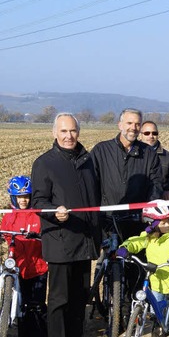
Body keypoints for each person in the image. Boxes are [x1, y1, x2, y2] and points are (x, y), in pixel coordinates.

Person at [31, 112, 102, 337]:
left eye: (72, 131)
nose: (68, 136)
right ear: (54, 133)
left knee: (79, 299)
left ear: (78, 132)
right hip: (61, 242)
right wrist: (54, 213)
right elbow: (38, 201)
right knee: (59, 300)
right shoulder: (44, 163)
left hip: (85, 241)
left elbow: (96, 198)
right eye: (63, 131)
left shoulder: (88, 161)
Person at [116, 202, 169, 337]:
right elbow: (136, 241)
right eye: (163, 223)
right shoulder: (148, 236)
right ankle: (158, 330)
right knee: (155, 307)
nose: (168, 225)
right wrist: (125, 247)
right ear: (152, 224)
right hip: (156, 278)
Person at [90, 108, 164, 240]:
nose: (133, 128)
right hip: (108, 222)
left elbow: (156, 183)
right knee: (110, 258)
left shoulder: (149, 154)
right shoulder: (101, 151)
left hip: (137, 223)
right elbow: (91, 183)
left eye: (137, 124)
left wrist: (148, 210)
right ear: (120, 125)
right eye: (129, 123)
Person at [1, 175, 48, 336]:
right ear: (13, 197)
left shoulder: (37, 215)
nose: (23, 201)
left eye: (26, 196)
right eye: (19, 197)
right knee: (21, 306)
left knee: (36, 305)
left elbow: (45, 235)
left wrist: (37, 235)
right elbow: (5, 234)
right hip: (18, 268)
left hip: (38, 267)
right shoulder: (8, 216)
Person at [139, 120, 169, 199]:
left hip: (159, 202)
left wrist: (168, 191)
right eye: (147, 133)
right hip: (136, 202)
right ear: (140, 135)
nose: (151, 136)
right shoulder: (132, 156)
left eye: (154, 133)